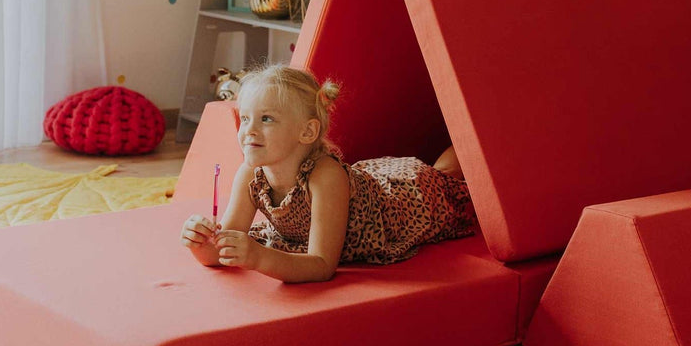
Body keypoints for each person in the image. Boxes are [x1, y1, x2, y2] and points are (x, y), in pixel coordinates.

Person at [180, 65, 474, 283]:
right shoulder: (250, 174)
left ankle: (476, 134)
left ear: (307, 131)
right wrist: (201, 244)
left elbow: (321, 265)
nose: (249, 130)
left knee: (447, 177)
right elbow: (224, 249)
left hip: (403, 202)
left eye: (266, 118)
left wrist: (258, 257)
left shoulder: (325, 176)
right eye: (245, 118)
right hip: (366, 184)